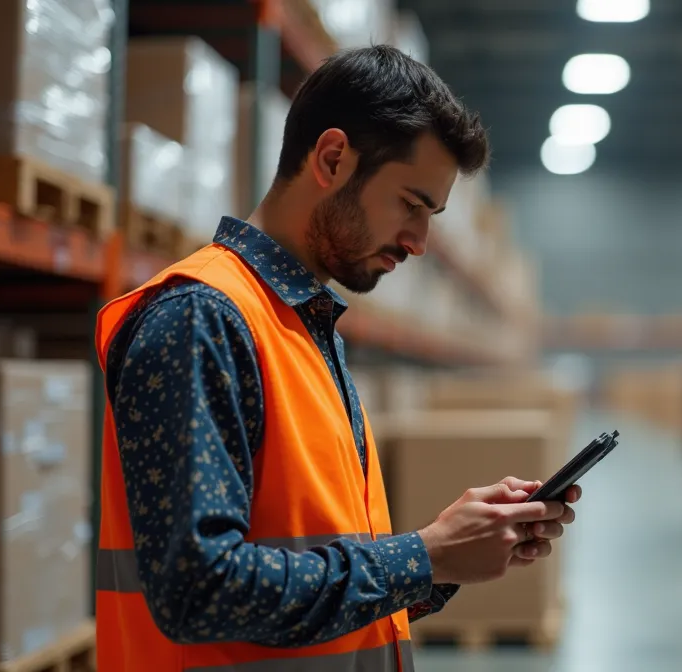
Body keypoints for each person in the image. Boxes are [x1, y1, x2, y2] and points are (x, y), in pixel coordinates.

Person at [93, 46, 578, 672]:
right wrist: (423, 555)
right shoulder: (202, 319)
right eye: (410, 204)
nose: (419, 242)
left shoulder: (301, 325)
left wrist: (449, 555)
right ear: (331, 159)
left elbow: (315, 561)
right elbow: (199, 591)